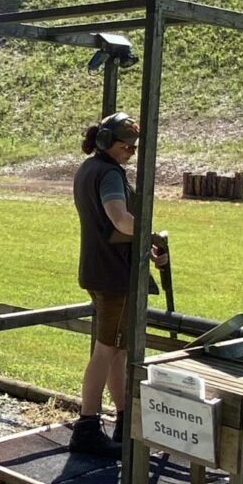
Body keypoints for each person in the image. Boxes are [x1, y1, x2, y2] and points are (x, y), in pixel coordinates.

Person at [71, 112, 167, 455]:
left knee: (118, 350)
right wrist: (150, 234)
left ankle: (123, 419)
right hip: (115, 275)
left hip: (101, 270)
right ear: (107, 143)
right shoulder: (109, 174)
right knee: (106, 351)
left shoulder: (89, 169)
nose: (130, 149)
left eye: (132, 145)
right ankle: (87, 426)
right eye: (125, 144)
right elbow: (120, 219)